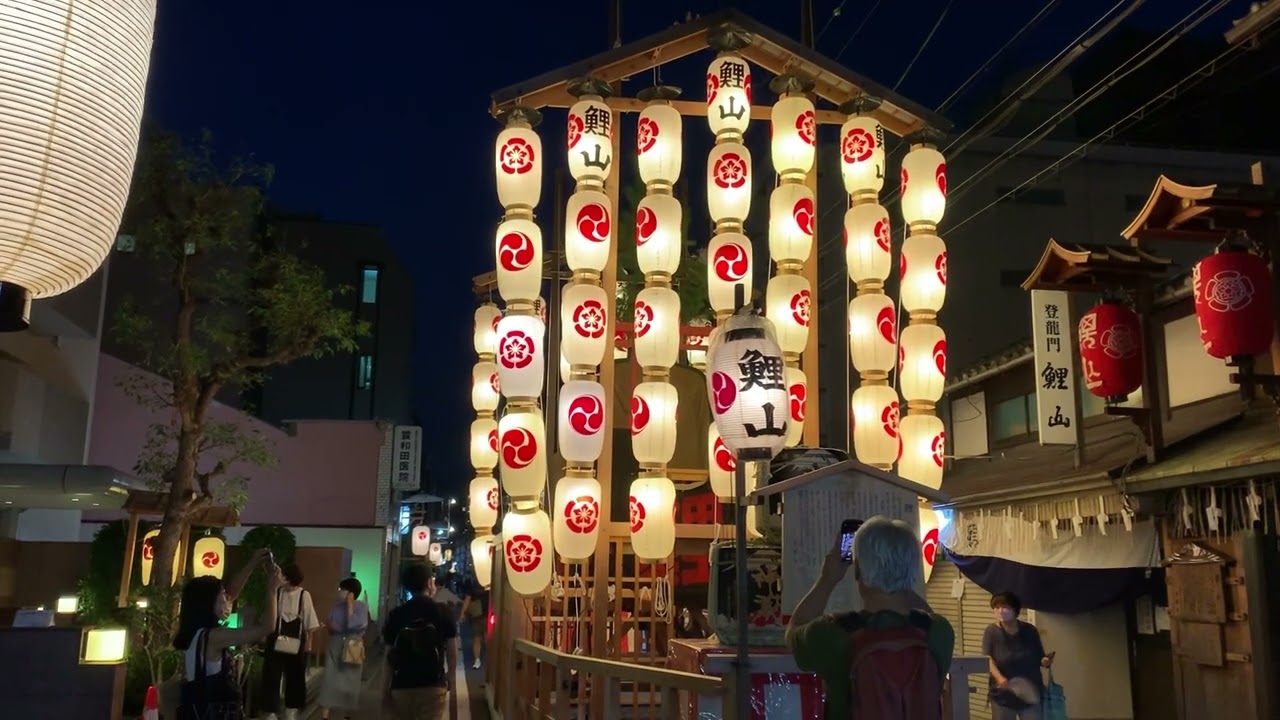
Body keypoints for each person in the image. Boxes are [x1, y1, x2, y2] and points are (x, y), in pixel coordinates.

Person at [787, 516, 955, 719]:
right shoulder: (938, 632)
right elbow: (928, 615)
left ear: (858, 570)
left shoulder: (833, 632)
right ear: (913, 569)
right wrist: (900, 578)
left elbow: (794, 630)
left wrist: (828, 578)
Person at [173, 549, 281, 720]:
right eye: (222, 595)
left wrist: (253, 562)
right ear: (209, 604)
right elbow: (266, 628)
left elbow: (232, 592)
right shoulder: (214, 637)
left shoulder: (197, 632)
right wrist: (272, 590)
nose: (228, 598)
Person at [382, 563, 458, 720]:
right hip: (433, 685)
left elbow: (388, 655)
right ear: (430, 583)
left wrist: (384, 691)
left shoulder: (396, 614)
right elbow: (451, 652)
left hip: (402, 684)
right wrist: (451, 680)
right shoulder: (442, 611)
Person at [258, 563, 321, 720]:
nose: (281, 579)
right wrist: (264, 634)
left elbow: (309, 620)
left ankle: (291, 708)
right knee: (271, 675)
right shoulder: (277, 592)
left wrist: (309, 641)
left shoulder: (303, 595)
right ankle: (271, 710)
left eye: (283, 576)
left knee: (295, 675)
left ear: (289, 578)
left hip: (296, 640)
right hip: (275, 637)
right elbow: (268, 614)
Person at [984, 592, 1056, 720]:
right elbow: (988, 659)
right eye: (996, 607)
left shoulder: (1030, 631)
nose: (1000, 611)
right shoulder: (991, 632)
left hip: (1030, 693)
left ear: (1015, 610)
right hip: (1003, 695)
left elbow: (1040, 658)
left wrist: (1045, 661)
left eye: (1005, 607)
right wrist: (1000, 678)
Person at [317, 577, 369, 720]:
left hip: (353, 646)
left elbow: (355, 624)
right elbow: (330, 623)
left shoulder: (362, 607)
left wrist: (350, 606)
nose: (339, 592)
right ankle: (325, 713)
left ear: (351, 592)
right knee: (329, 677)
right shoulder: (336, 606)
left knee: (351, 680)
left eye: (342, 589)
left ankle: (348, 713)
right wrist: (333, 627)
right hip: (336, 644)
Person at [459, 581, 488, 669]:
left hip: (477, 615)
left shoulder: (473, 585)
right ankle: (488, 658)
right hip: (487, 614)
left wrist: (462, 613)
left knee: (477, 638)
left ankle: (477, 660)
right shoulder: (490, 584)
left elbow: (467, 600)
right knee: (486, 637)